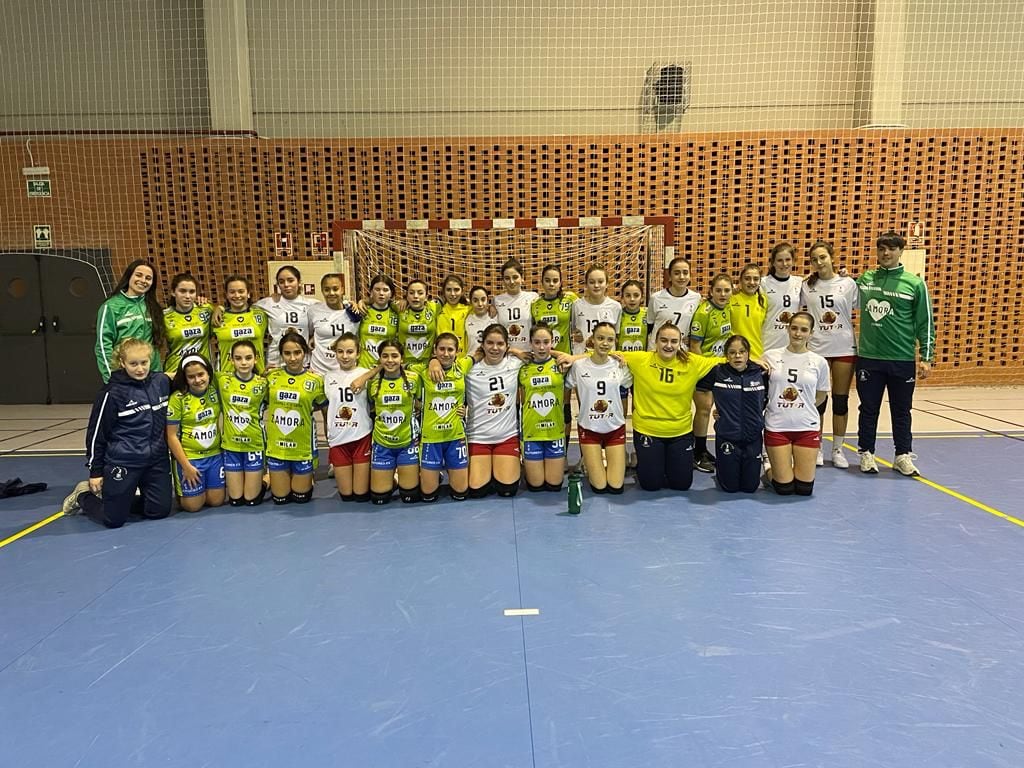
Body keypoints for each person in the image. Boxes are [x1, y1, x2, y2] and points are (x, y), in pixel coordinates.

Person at [62, 338, 172, 528]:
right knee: (113, 520)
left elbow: (185, 378)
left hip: (156, 460)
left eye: (144, 363)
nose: (140, 369)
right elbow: (96, 434)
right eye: (133, 364)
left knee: (159, 511)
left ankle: (121, 501)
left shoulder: (160, 382)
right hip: (124, 461)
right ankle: (82, 495)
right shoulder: (111, 393)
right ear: (122, 363)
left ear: (151, 359)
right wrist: (95, 471)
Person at [855, 231, 935, 476]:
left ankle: (902, 455)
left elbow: (926, 322)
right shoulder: (866, 279)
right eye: (882, 249)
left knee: (902, 410)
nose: (886, 253)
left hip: (901, 359)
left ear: (901, 251)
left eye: (891, 249)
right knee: (868, 408)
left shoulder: (915, 284)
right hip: (869, 358)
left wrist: (926, 357)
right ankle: (866, 453)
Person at [618, 323, 725, 492]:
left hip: (680, 432)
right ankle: (646, 460)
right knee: (651, 485)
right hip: (648, 430)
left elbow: (728, 360)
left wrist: (757, 361)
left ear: (680, 343)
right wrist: (573, 358)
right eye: (664, 340)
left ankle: (663, 462)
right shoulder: (641, 360)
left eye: (674, 341)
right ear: (655, 341)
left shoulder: (691, 362)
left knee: (681, 484)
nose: (668, 345)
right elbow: (605, 353)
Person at [801, 240, 859, 468]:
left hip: (844, 346)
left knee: (841, 399)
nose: (818, 262)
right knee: (819, 401)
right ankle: (816, 447)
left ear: (832, 258)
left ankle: (838, 449)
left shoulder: (848, 283)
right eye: (814, 259)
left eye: (822, 257)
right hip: (818, 348)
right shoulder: (806, 285)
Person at [762, 312, 830, 495]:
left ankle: (780, 468)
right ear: (787, 329)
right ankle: (769, 468)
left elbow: (821, 396)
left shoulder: (819, 362)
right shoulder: (769, 357)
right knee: (784, 488)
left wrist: (801, 408)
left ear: (811, 333)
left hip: (806, 428)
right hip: (777, 427)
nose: (798, 334)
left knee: (804, 489)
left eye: (803, 330)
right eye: (794, 328)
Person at [565, 322, 632, 494]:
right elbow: (566, 384)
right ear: (592, 340)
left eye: (610, 339)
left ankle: (604, 459)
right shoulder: (579, 366)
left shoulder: (620, 365)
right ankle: (594, 460)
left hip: (615, 428)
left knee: (616, 486)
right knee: (600, 486)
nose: (605, 343)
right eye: (600, 338)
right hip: (589, 429)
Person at [699, 335, 768, 493]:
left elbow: (769, 397)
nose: (737, 356)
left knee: (750, 487)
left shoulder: (761, 373)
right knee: (729, 488)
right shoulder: (717, 372)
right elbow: (693, 382)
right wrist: (716, 410)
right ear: (726, 355)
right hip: (727, 436)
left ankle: (767, 465)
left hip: (753, 437)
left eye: (742, 352)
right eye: (732, 352)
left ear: (748, 354)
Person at [357, 339, 422, 505]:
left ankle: (416, 472)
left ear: (402, 358)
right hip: (382, 444)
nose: (390, 360)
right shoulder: (373, 383)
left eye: (394, 356)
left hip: (407, 443)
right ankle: (392, 475)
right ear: (379, 359)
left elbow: (423, 403)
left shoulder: (414, 379)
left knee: (410, 497)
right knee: (379, 498)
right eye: (385, 356)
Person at [265, 333, 326, 504]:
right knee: (281, 499)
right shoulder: (271, 378)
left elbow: (324, 409)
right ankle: (269, 478)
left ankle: (307, 478)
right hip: (278, 448)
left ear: (305, 353)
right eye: (287, 353)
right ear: (281, 354)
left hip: (302, 448)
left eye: (297, 353)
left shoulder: (315, 381)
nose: (292, 358)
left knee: (301, 498)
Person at [465, 323, 524, 497]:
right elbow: (446, 362)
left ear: (507, 346)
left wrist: (517, 352)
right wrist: (434, 362)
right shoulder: (469, 368)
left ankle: (506, 466)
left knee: (507, 490)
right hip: (478, 437)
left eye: (500, 344)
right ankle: (487, 468)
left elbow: (544, 352)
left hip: (506, 437)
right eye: (490, 343)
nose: (495, 348)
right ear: (482, 345)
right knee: (477, 491)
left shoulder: (515, 364)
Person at [413, 333, 472, 502]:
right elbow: (399, 365)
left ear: (457, 351)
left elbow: (480, 353)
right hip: (431, 438)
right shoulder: (423, 372)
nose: (446, 354)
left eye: (450, 349)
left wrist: (467, 407)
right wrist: (431, 362)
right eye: (442, 349)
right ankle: (432, 473)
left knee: (460, 493)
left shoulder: (462, 366)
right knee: (428, 495)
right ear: (435, 350)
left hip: (456, 437)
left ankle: (448, 470)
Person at [166, 354, 225, 512]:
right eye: (191, 377)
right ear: (184, 378)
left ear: (208, 373)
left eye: (201, 374)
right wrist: (186, 466)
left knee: (216, 501)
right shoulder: (178, 399)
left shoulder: (215, 390)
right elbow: (171, 436)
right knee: (193, 506)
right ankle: (183, 493)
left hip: (214, 456)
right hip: (191, 459)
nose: (198, 380)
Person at [689, 273, 735, 472]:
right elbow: (695, 345)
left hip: (721, 367)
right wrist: (703, 371)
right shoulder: (704, 312)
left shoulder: (729, 308)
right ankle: (697, 453)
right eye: (718, 290)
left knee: (716, 411)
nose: (723, 294)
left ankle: (704, 449)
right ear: (711, 291)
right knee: (704, 409)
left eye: (726, 290)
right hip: (706, 368)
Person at [216, 339, 268, 506]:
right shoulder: (222, 381)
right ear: (231, 360)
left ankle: (268, 479)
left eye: (248, 357)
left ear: (256, 359)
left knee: (251, 500)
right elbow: (195, 373)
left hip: (254, 444)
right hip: (231, 446)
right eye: (238, 358)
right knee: (236, 500)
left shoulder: (264, 383)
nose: (243, 362)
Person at [95, 260, 165, 382]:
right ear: (129, 276)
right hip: (124, 377)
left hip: (152, 375)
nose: (143, 280)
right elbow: (102, 346)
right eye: (138, 275)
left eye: (148, 278)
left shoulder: (154, 307)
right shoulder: (111, 306)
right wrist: (111, 379)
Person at [323, 333, 372, 503]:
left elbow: (389, 366)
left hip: (361, 437)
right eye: (340, 351)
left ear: (358, 353)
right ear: (335, 353)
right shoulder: (327, 377)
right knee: (346, 495)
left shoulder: (367, 374)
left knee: (360, 495)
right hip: (338, 440)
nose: (345, 356)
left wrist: (367, 376)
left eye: (350, 352)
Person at [519, 324, 567, 492]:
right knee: (536, 485)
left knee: (554, 485)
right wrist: (516, 352)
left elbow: (588, 356)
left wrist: (559, 354)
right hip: (532, 433)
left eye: (546, 342)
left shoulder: (562, 365)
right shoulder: (522, 367)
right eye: (537, 342)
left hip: (555, 432)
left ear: (552, 342)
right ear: (530, 343)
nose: (541, 347)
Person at [256, 265, 316, 369]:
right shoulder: (268, 303)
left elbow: (335, 310)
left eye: (290, 280)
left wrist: (353, 304)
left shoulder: (311, 304)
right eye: (281, 281)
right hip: (276, 362)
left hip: (302, 362)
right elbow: (242, 306)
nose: (286, 285)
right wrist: (220, 309)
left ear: (299, 282)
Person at [212, 274, 269, 373]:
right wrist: (216, 308)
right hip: (228, 378)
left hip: (258, 377)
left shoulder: (261, 315)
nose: (237, 296)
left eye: (241, 291)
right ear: (226, 295)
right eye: (232, 292)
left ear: (248, 293)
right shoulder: (218, 317)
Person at [163, 273, 213, 376]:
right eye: (182, 291)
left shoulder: (206, 310)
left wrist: (219, 308)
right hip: (175, 372)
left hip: (202, 371)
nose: (187, 296)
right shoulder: (164, 317)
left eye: (192, 292)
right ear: (173, 292)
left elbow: (223, 311)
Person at [308, 273, 359, 375]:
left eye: (335, 289)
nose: (331, 293)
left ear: (342, 290)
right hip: (318, 371)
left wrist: (362, 302)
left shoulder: (354, 311)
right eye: (327, 289)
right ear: (322, 291)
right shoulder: (313, 310)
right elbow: (309, 332)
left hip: (346, 371)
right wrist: (313, 337)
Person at [646, 256, 701, 350]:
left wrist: (691, 337)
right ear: (670, 277)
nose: (681, 277)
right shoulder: (656, 298)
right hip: (656, 350)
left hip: (681, 351)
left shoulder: (696, 298)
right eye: (676, 273)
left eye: (685, 273)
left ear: (690, 275)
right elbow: (649, 327)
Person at [761, 242, 803, 352]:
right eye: (779, 260)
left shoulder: (800, 282)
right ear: (773, 263)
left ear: (793, 261)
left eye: (788, 259)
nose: (784, 264)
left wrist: (842, 274)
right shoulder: (763, 283)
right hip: (769, 343)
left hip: (792, 344)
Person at [571, 264, 622, 355]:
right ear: (586, 284)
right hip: (581, 358)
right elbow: (573, 331)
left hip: (606, 359)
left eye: (600, 281)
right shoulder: (577, 305)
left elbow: (616, 336)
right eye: (591, 282)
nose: (596, 285)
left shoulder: (615, 307)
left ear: (607, 284)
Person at [493, 259, 538, 351]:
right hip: (506, 354)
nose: (512, 282)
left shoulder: (533, 297)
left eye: (515, 277)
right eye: (507, 278)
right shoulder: (496, 300)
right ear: (503, 281)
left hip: (529, 353)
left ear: (522, 278)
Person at [357, 274, 400, 367]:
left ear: (391, 293)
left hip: (386, 368)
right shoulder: (362, 310)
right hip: (363, 368)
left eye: (385, 290)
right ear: (371, 292)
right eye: (377, 289)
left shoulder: (397, 314)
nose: (381, 293)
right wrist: (361, 301)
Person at [728, 263, 767, 358]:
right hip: (734, 356)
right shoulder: (730, 298)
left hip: (756, 355)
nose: (752, 282)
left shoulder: (763, 300)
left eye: (756, 279)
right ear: (740, 280)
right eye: (747, 278)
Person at [398, 279, 438, 365]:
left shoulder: (434, 308)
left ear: (426, 296)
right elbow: (382, 301)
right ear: (407, 296)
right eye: (411, 293)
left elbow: (451, 298)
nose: (415, 296)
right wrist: (363, 301)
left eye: (420, 293)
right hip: (405, 365)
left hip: (427, 365)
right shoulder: (400, 308)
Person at [437, 274, 471, 352]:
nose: (452, 294)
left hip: (464, 359)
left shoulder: (469, 309)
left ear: (462, 291)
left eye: (456, 290)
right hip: (443, 358)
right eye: (448, 290)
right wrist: (405, 301)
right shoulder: (436, 308)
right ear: (443, 291)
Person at [464, 286, 492, 358]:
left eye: (483, 300)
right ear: (470, 302)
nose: (480, 304)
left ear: (488, 300)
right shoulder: (465, 319)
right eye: (475, 300)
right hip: (471, 363)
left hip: (490, 363)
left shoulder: (496, 319)